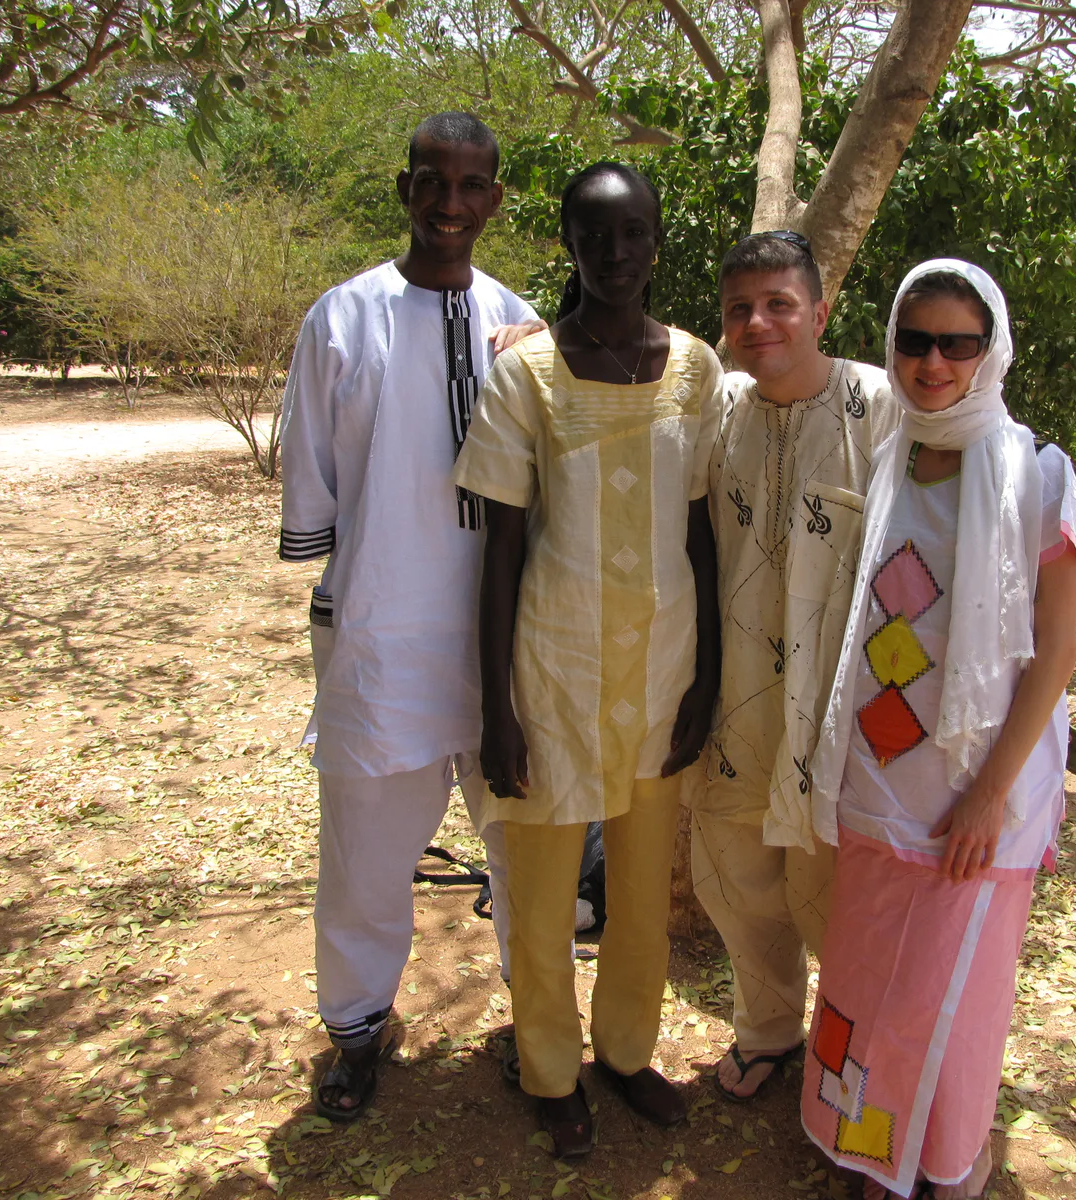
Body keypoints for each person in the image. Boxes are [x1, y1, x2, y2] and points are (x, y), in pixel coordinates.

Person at [800, 260, 1076, 1200]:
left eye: (957, 343)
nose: (933, 362)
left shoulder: (1037, 475)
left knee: (953, 1000)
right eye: (915, 340)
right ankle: (865, 1149)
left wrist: (989, 794)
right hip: (880, 784)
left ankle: (943, 1163)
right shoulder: (891, 453)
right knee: (869, 980)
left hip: (978, 799)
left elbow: (1053, 657)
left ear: (990, 352)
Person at [277, 112, 545, 1123]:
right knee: (364, 853)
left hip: (509, 645)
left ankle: (542, 1024)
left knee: (526, 844)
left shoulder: (522, 325)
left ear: (494, 199)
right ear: (405, 189)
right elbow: (317, 492)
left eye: (470, 184)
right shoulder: (340, 320)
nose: (449, 202)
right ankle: (355, 1028)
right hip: (382, 631)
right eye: (432, 181)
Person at [453, 162, 722, 1158]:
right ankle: (548, 1067)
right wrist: (497, 711)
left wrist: (710, 671)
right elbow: (502, 549)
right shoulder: (526, 374)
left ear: (657, 240)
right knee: (541, 890)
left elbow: (702, 532)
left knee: (645, 888)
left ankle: (624, 1052)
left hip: (662, 669)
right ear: (567, 243)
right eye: (592, 236)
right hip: (554, 671)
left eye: (632, 234)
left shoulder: (694, 369)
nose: (614, 255)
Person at [690, 231, 898, 1103]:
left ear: (819, 310)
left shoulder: (880, 404)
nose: (759, 321)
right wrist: (530, 334)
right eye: (740, 308)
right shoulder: (719, 407)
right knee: (739, 883)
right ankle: (768, 1032)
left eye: (779, 303)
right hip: (735, 699)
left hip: (838, 705)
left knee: (836, 894)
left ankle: (856, 1058)